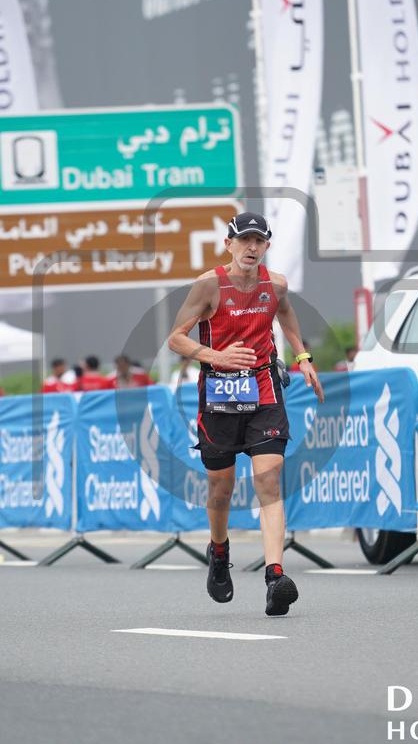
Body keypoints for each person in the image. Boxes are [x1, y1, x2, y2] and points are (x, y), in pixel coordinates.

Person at [168, 211, 324, 616]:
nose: (251, 248)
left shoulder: (276, 285)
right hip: (219, 396)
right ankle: (219, 553)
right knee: (220, 489)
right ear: (229, 244)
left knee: (268, 480)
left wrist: (303, 357)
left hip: (264, 390)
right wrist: (216, 355)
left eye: (259, 241)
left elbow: (286, 314)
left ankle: (276, 577)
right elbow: (176, 339)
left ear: (267, 246)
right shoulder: (209, 285)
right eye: (244, 240)